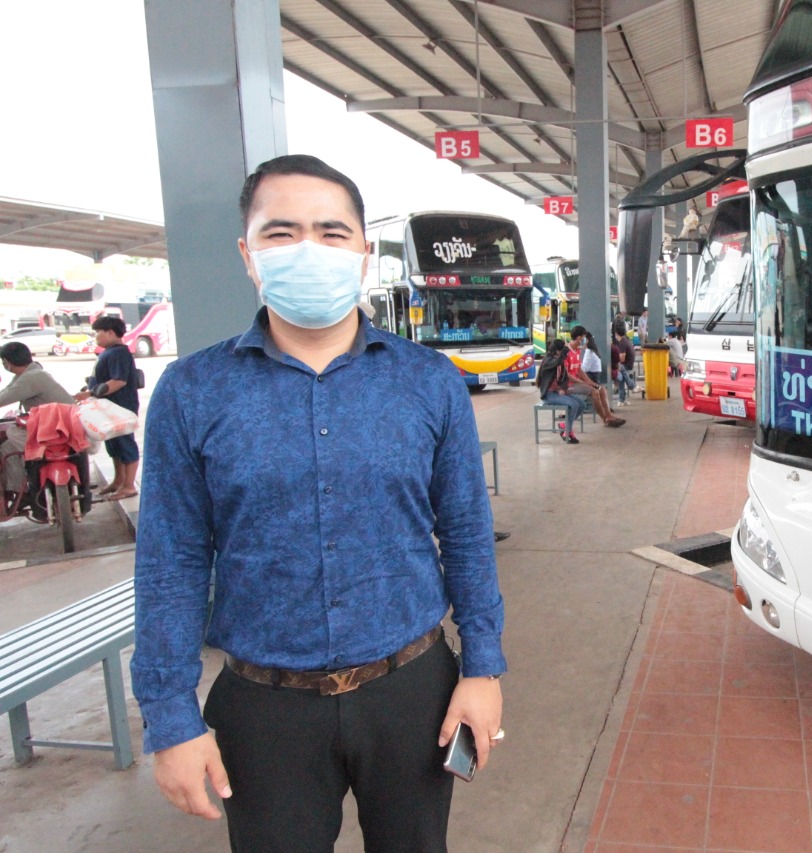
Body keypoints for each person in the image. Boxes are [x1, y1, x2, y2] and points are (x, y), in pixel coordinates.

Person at [131, 154, 506, 852]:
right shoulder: (191, 391)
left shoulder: (428, 381)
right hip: (263, 709)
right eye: (281, 232)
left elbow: (464, 533)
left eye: (332, 232)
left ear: (363, 253)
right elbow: (171, 562)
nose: (309, 248)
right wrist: (169, 715)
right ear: (248, 254)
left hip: (412, 691)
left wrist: (482, 667)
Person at [73, 316, 140, 500]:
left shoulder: (119, 353)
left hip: (120, 409)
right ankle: (118, 481)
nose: (96, 336)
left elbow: (119, 381)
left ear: (110, 332)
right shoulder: (109, 353)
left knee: (125, 444)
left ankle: (129, 485)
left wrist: (91, 393)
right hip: (107, 410)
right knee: (114, 445)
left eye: (98, 332)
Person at [0, 341, 75, 500]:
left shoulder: (31, 378)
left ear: (7, 362)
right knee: (7, 448)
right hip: (60, 424)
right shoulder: (30, 373)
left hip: (56, 428)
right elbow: (5, 392)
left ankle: (36, 459)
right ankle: (19, 491)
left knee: (12, 432)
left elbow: (3, 398)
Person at [567, 326, 625, 427]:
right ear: (579, 338)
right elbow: (566, 374)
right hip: (568, 384)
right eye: (584, 338)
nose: (585, 340)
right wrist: (584, 383)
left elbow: (579, 370)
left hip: (577, 382)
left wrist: (589, 382)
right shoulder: (566, 351)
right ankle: (605, 419)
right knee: (595, 392)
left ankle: (609, 416)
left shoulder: (577, 351)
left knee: (602, 389)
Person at [537, 338, 584, 443]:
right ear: (557, 351)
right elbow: (557, 362)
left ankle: (564, 425)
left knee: (581, 404)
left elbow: (565, 377)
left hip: (557, 392)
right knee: (574, 404)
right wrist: (566, 350)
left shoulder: (559, 361)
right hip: (549, 394)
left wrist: (563, 388)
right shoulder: (548, 361)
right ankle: (567, 432)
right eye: (561, 351)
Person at [613, 327, 636, 405]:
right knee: (621, 376)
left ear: (616, 334)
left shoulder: (622, 343)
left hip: (626, 365)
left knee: (620, 373)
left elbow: (622, 359)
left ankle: (621, 399)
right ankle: (632, 386)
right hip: (629, 365)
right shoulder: (626, 341)